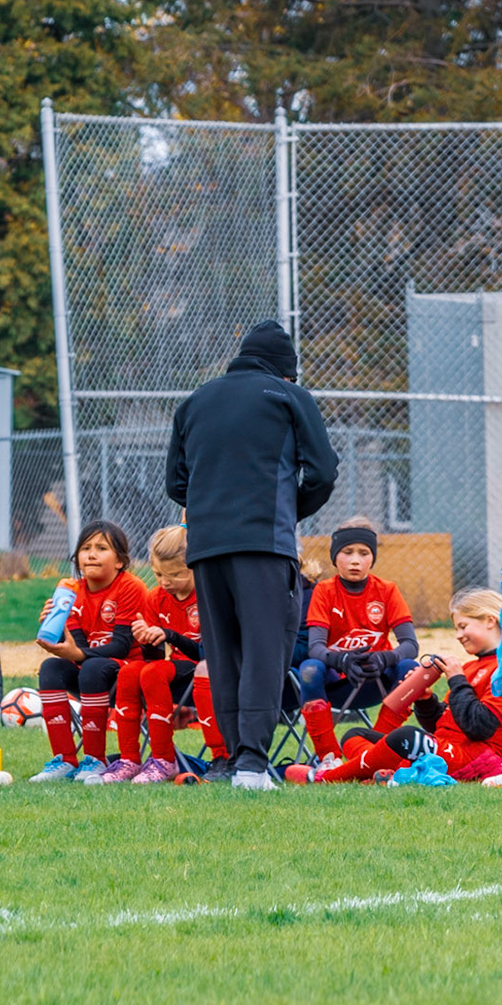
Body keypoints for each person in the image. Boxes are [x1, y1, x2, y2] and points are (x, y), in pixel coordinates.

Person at [165, 320, 338, 789]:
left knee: (223, 653)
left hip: (206, 548)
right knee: (265, 650)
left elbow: (175, 484)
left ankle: (233, 757)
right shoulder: (289, 397)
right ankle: (251, 765)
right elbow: (323, 471)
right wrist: (288, 510)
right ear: (286, 371)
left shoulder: (195, 401)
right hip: (264, 544)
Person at [288, 589, 502, 785]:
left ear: (490, 621)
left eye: (463, 626)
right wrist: (426, 701)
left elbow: (480, 728)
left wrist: (457, 680)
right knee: (355, 735)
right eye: (456, 629)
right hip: (449, 749)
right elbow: (445, 724)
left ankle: (326, 778)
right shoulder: (472, 666)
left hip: (478, 758)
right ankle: (383, 773)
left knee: (405, 736)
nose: (459, 635)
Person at [294, 517, 419, 763]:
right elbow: (315, 647)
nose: (355, 560)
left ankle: (378, 749)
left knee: (411, 669)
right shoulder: (324, 591)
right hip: (337, 681)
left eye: (363, 553)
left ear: (372, 557)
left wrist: (385, 658)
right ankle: (328, 757)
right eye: (347, 552)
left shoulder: (387, 590)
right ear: (334, 557)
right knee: (310, 669)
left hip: (377, 679)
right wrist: (341, 660)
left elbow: (411, 645)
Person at [30, 520, 146, 782]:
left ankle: (95, 759)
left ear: (120, 561)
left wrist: (78, 655)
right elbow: (79, 645)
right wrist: (56, 627)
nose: (91, 554)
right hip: (91, 670)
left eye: (101, 548)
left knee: (92, 667)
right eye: (85, 548)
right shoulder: (71, 592)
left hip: (127, 672)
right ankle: (65, 760)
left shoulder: (130, 586)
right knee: (51, 668)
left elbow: (121, 646)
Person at [123, 525, 207, 784]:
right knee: (129, 671)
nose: (164, 582)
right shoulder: (156, 597)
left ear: (194, 566)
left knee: (154, 672)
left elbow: (204, 652)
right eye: (158, 573)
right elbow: (154, 657)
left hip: (206, 673)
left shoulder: (206, 595)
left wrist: (169, 635)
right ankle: (129, 760)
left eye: (174, 574)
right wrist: (146, 638)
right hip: (174, 672)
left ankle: (164, 760)